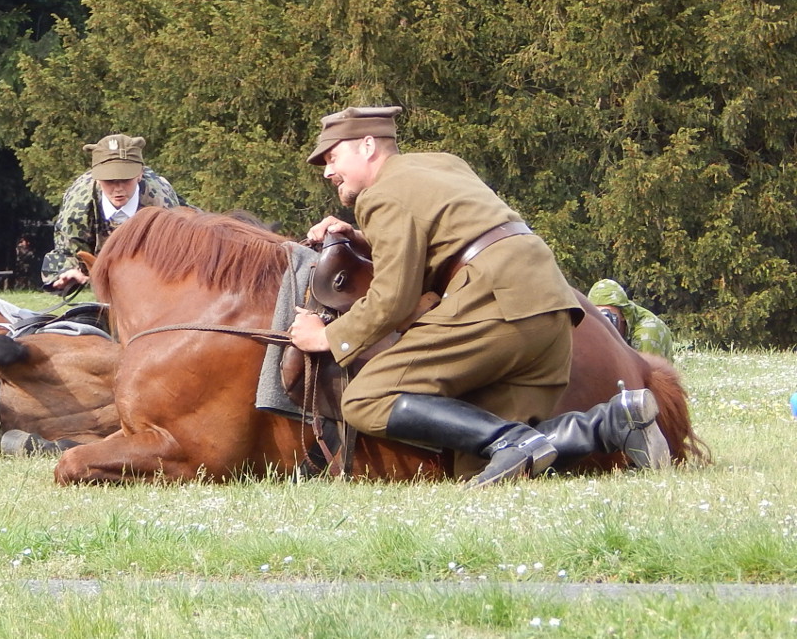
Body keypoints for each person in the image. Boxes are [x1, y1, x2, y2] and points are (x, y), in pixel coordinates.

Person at [288, 106, 669, 487]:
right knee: (477, 471)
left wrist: (324, 337)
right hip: (549, 306)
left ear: (368, 146)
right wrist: (362, 239)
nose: (327, 171)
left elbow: (392, 300)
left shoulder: (381, 195)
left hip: (497, 301)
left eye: (333, 157)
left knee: (367, 399)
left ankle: (514, 440)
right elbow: (449, 230)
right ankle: (610, 424)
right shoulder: (441, 165)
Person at [40, 133, 184, 290]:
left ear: (140, 174)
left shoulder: (161, 202)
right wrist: (68, 270)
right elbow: (67, 250)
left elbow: (174, 254)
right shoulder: (78, 203)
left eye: (126, 179)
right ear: (97, 178)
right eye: (109, 180)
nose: (118, 188)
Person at [587, 279, 675, 362]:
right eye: (596, 314)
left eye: (607, 313)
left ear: (623, 313)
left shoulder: (647, 334)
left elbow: (646, 375)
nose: (603, 321)